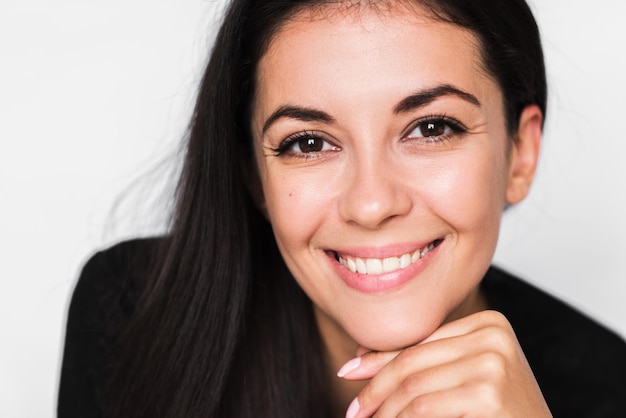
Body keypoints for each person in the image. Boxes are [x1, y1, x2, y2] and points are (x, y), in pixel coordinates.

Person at [58, 0, 626, 417]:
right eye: (308, 142)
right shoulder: (135, 314)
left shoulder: (607, 388)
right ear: (254, 174)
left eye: (431, 128)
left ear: (520, 155)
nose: (372, 203)